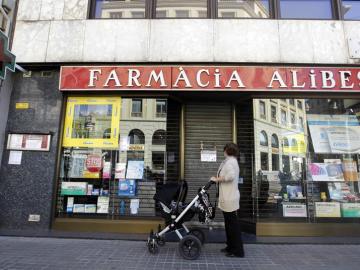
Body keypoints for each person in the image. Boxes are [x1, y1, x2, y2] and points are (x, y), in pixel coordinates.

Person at [210, 143, 244, 258]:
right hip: (228, 197)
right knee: (229, 225)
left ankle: (237, 251)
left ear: (228, 151)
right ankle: (230, 246)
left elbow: (231, 176)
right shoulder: (229, 161)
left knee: (232, 226)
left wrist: (217, 179)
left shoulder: (230, 162)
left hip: (230, 198)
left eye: (224, 150)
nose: (223, 151)